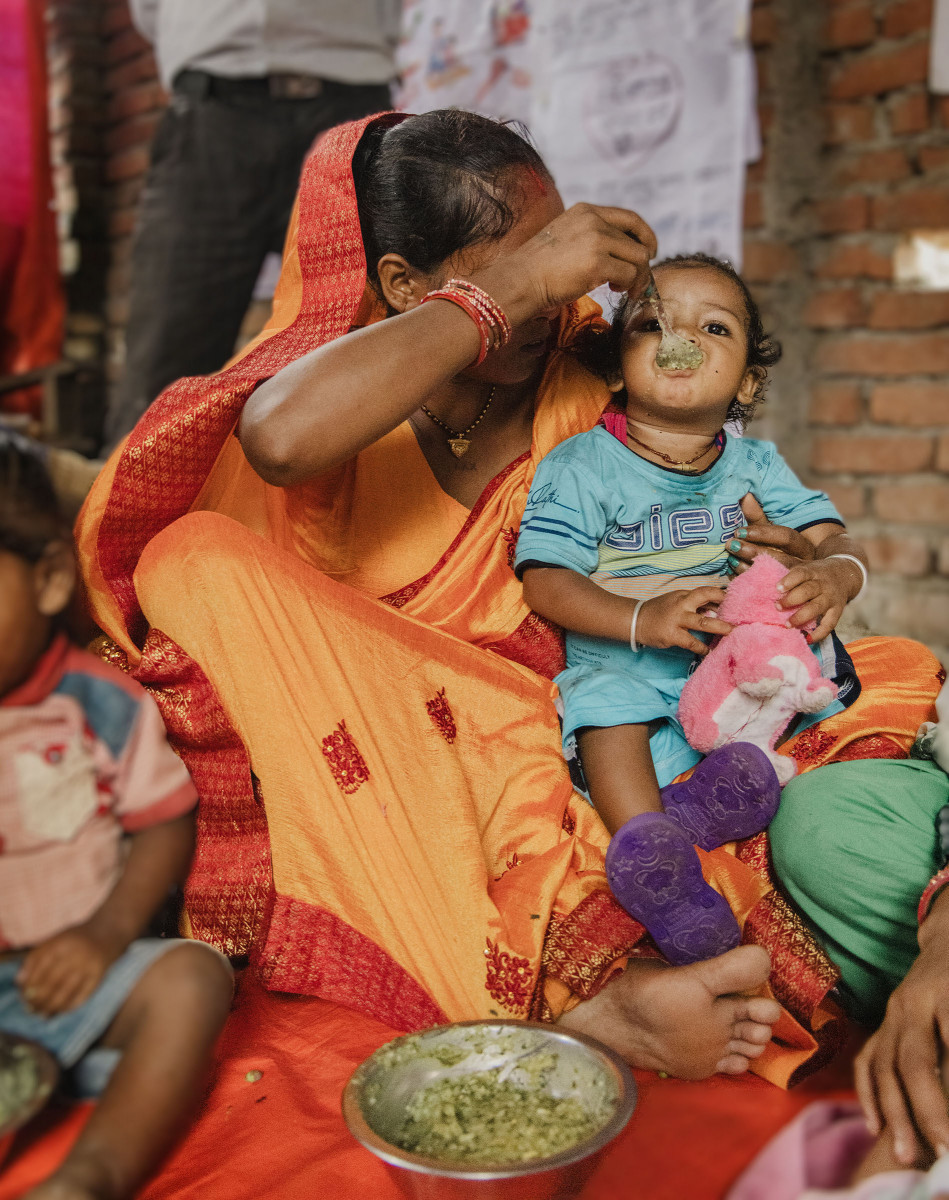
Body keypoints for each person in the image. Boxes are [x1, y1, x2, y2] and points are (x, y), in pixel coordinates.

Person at [74, 110, 940, 1094]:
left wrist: (787, 558)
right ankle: (578, 1011)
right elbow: (275, 437)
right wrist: (511, 291)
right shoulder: (344, 407)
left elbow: (717, 441)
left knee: (819, 738)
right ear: (404, 287)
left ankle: (601, 976)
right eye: (527, 269)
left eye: (562, 259)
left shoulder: (585, 369)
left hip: (603, 727)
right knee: (193, 561)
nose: (555, 298)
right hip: (421, 765)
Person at [514, 253, 869, 967]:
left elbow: (833, 541)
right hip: (625, 659)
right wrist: (642, 620)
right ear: (617, 370)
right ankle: (650, 850)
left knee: (831, 685)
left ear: (746, 380)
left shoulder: (758, 467)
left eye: (713, 327)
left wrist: (830, 569)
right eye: (652, 324)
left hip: (733, 674)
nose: (684, 339)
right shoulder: (581, 466)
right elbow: (545, 579)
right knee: (605, 712)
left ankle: (700, 805)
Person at [0, 428, 234, 1200]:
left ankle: (92, 1174)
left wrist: (104, 937)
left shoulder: (97, 704)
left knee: (192, 982)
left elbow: (162, 824)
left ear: (47, 582)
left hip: (86, 980)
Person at [102, 0, 399, 448]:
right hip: (213, 110)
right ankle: (130, 514)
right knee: (164, 369)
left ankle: (399, 511)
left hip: (350, 101)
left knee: (378, 346)